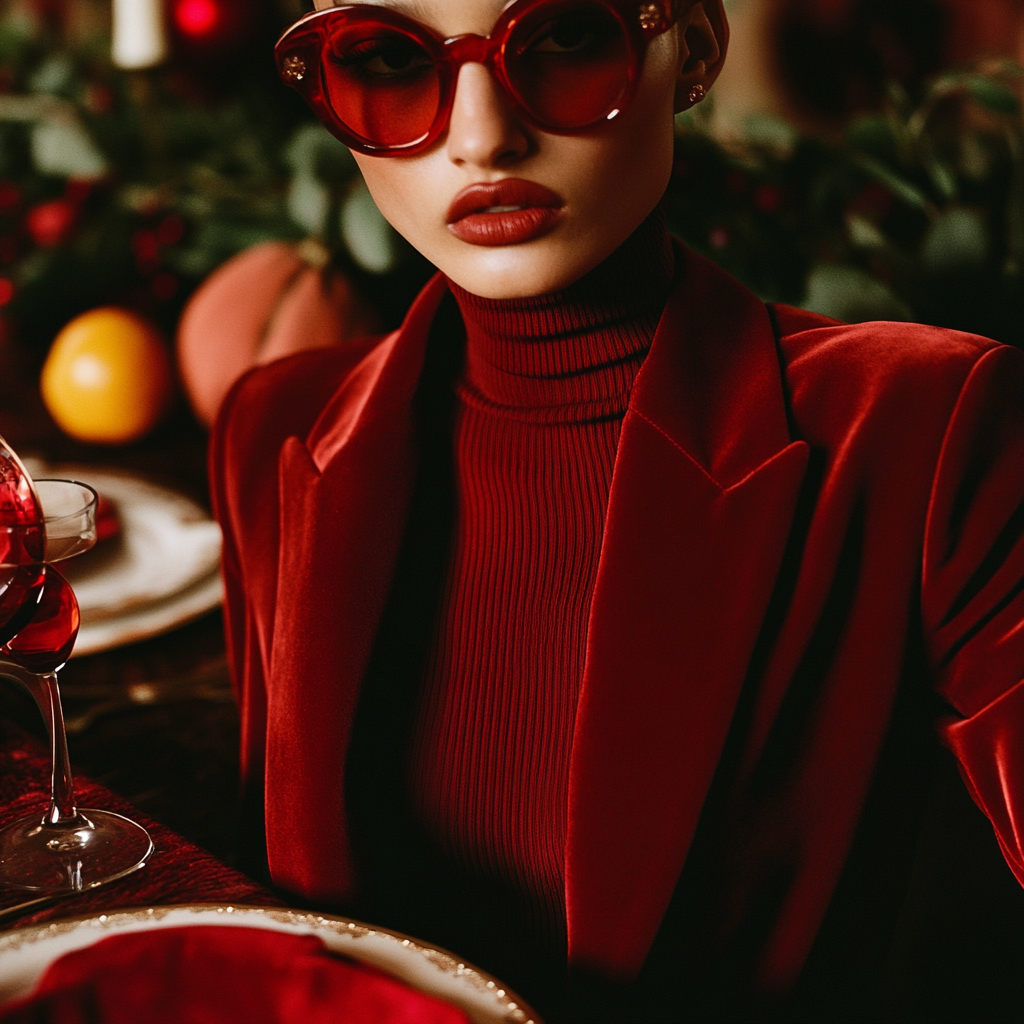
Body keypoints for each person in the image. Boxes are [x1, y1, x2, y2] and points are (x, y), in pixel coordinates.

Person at [209, 1, 1024, 1019]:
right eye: (385, 58)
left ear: (693, 49)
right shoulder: (275, 425)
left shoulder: (923, 429)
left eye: (562, 38)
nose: (480, 134)